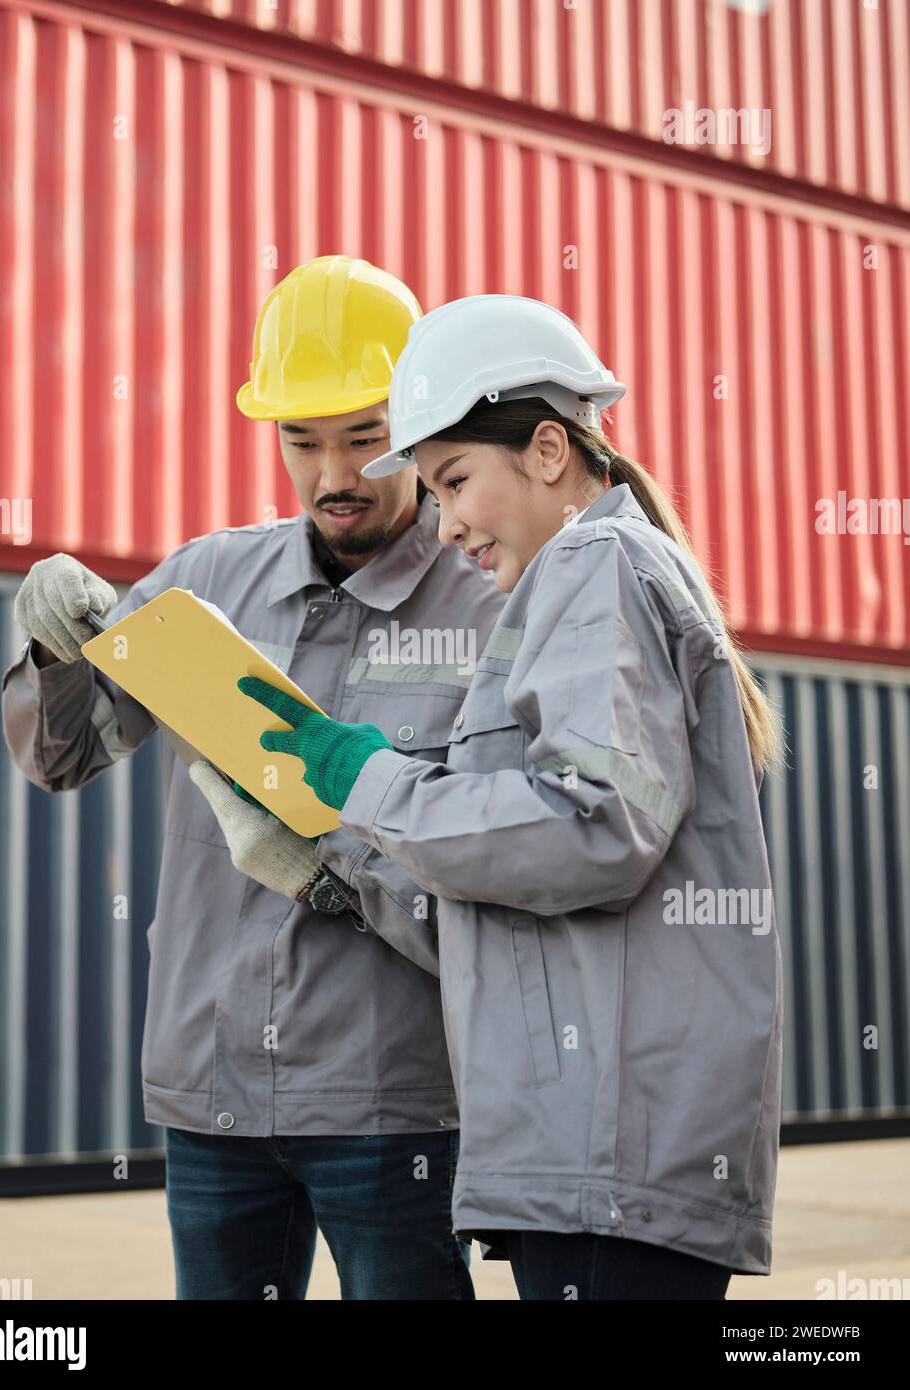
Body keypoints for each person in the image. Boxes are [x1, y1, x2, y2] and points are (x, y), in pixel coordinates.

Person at [233, 293, 785, 1300]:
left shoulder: (595, 565)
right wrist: (336, 862)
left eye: (453, 480)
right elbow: (519, 912)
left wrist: (374, 779)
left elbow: (591, 829)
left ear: (544, 450)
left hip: (610, 1158)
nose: (444, 527)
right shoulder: (588, 574)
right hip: (592, 1158)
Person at [1, 258, 505, 1300]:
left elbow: (505, 863)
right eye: (301, 440)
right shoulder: (203, 582)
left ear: (414, 422)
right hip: (216, 1093)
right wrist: (56, 655)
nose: (335, 473)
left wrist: (335, 871)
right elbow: (62, 757)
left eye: (365, 437)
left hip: (393, 1101)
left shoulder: (487, 607)